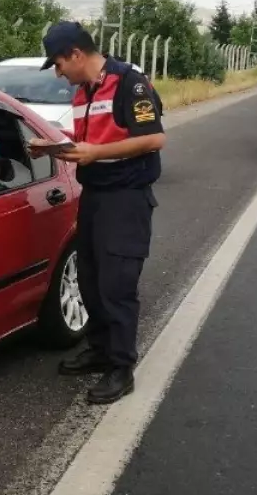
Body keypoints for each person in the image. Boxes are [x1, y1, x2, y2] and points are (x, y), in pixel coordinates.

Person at [31, 20, 166, 404]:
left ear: (76, 54)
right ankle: (101, 349)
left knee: (117, 285)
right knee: (89, 279)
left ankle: (121, 367)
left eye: (59, 64)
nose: (59, 73)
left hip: (125, 198)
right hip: (95, 195)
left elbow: (154, 138)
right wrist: (56, 145)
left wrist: (94, 153)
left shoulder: (129, 82)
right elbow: (93, 140)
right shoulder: (83, 93)